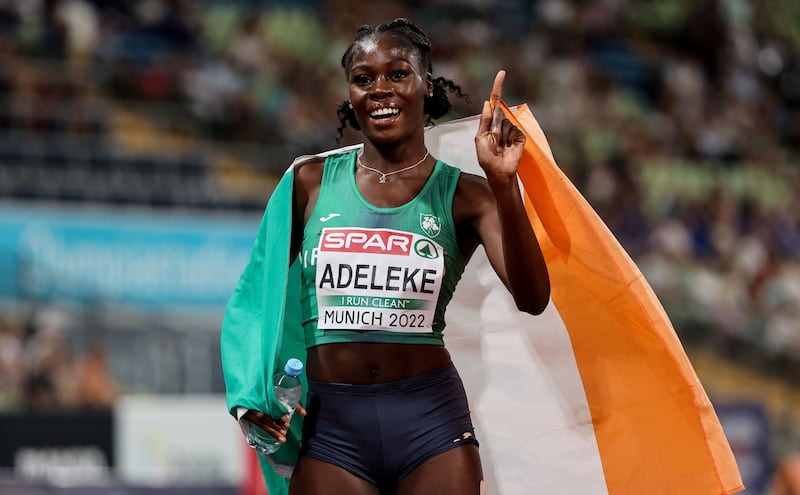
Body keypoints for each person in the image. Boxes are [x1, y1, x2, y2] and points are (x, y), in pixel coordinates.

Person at [228, 17, 550, 495]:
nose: (380, 89)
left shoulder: (469, 195)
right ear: (351, 95)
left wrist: (504, 185)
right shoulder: (308, 184)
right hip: (332, 430)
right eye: (363, 79)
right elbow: (255, 297)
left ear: (426, 85)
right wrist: (248, 393)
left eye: (398, 74)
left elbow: (533, 297)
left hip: (431, 425)